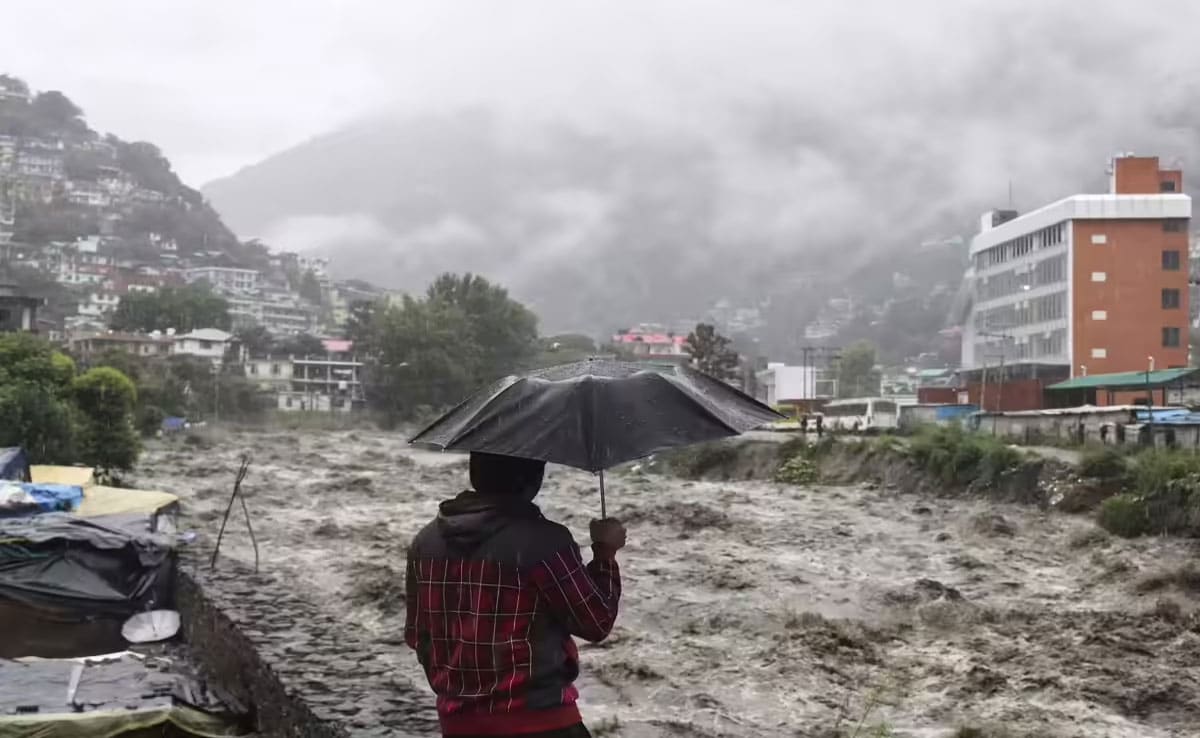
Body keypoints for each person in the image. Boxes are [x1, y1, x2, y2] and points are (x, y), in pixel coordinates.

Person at [405, 451, 626, 738]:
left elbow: (418, 636)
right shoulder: (545, 542)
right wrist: (605, 554)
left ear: (475, 473)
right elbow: (597, 622)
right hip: (541, 724)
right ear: (532, 479)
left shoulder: (425, 543)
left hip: (459, 725)